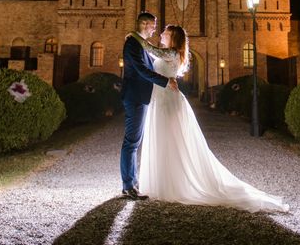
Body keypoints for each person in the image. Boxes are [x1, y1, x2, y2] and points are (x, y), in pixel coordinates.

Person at [128, 24, 290, 213]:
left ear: (173, 37)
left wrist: (133, 34)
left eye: (165, 31)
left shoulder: (171, 53)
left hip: (167, 103)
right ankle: (164, 182)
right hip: (161, 100)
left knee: (169, 141)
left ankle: (172, 185)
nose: (161, 33)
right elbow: (150, 57)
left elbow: (149, 49)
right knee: (165, 141)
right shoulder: (168, 53)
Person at [120, 12, 178, 200]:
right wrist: (166, 81)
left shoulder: (140, 44)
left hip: (142, 97)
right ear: (145, 24)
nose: (155, 29)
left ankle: (132, 182)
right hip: (135, 96)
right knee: (132, 142)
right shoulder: (132, 44)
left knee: (134, 141)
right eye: (153, 25)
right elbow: (141, 70)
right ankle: (129, 185)